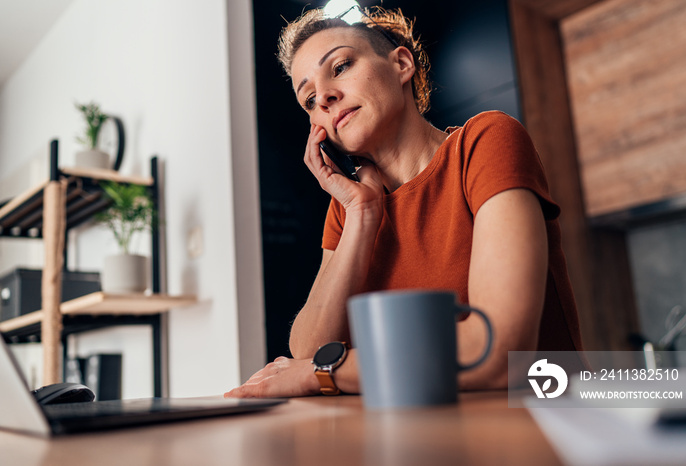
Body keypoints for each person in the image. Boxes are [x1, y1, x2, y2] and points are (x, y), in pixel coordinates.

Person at [225, 5, 583, 398]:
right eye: (308, 99)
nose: (324, 97)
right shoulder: (349, 206)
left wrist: (324, 371)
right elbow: (308, 347)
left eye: (340, 66)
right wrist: (363, 215)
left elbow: (497, 351)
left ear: (401, 64)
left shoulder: (484, 142)